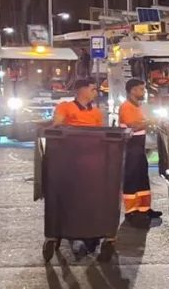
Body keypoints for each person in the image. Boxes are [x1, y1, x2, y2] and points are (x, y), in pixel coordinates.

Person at [51, 79, 106, 255]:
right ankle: (74, 233)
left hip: (91, 161)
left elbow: (101, 135)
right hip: (69, 159)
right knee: (73, 196)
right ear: (81, 90)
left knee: (90, 198)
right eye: (92, 89)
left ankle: (90, 234)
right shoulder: (65, 107)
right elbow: (57, 126)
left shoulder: (96, 112)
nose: (96, 92)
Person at [117, 79, 162, 224]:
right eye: (141, 89)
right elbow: (133, 125)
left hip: (139, 144)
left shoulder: (137, 106)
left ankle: (144, 208)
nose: (144, 92)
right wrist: (150, 121)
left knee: (142, 177)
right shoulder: (126, 107)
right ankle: (131, 212)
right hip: (131, 146)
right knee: (131, 178)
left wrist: (149, 122)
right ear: (132, 91)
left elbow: (140, 124)